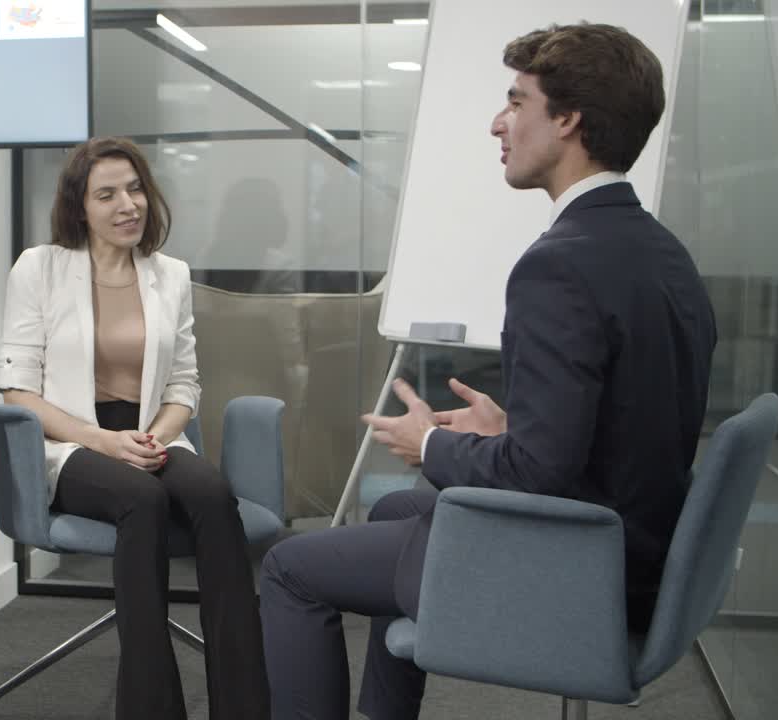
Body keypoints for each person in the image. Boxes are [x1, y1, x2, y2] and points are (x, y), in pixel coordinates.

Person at [258, 22, 717, 720]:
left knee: (291, 569)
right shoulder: (662, 253)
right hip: (636, 550)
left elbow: (539, 474)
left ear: (567, 119)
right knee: (395, 509)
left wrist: (432, 445)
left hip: (578, 571)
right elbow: (627, 424)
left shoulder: (558, 264)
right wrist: (508, 428)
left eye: (516, 101)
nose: (497, 122)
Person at [0, 136, 270, 719]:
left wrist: (156, 436)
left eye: (135, 188)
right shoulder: (39, 268)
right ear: (79, 207)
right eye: (108, 194)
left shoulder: (170, 275)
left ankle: (243, 706)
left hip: (151, 436)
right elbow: (17, 390)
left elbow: (184, 384)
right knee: (142, 499)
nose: (129, 204)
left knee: (216, 496)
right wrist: (104, 443)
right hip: (72, 444)